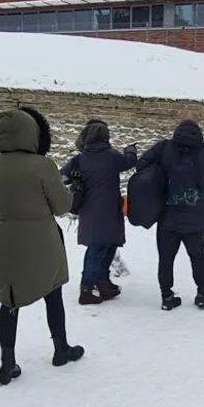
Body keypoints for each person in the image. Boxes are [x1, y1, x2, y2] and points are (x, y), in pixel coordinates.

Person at [0, 106, 85, 385]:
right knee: (52, 291)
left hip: (5, 237)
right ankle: (61, 349)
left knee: (9, 298)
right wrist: (71, 191)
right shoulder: (42, 165)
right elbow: (62, 205)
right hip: (41, 237)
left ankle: (7, 363)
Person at [138, 119, 204, 310]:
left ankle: (166, 296)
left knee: (166, 259)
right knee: (197, 256)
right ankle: (202, 293)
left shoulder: (164, 147)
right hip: (195, 216)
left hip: (167, 215)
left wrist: (159, 185)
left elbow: (142, 165)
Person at [62, 119, 137, 305]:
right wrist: (130, 149)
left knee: (103, 245)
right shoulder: (112, 156)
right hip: (110, 210)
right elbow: (130, 161)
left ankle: (102, 283)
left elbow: (60, 177)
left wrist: (74, 183)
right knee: (101, 247)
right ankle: (87, 288)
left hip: (90, 210)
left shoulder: (80, 159)